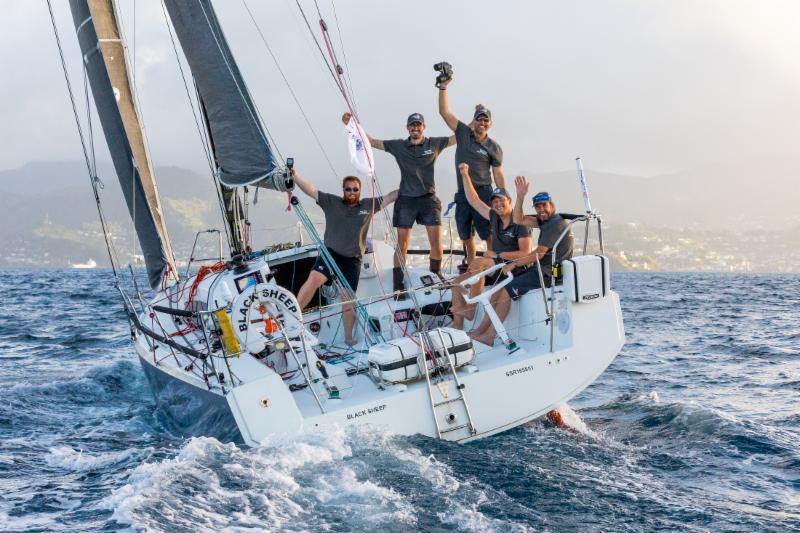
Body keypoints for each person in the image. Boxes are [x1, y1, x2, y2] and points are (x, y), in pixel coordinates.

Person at [342, 111, 455, 298]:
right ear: (408, 128)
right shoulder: (399, 146)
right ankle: (398, 285)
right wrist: (353, 125)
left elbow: (457, 137)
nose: (415, 128)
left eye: (418, 124)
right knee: (402, 244)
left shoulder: (434, 144)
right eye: (412, 125)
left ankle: (436, 273)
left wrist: (475, 123)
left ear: (423, 127)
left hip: (428, 198)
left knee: (436, 242)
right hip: (407, 199)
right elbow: (372, 142)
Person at [293, 168, 398, 346]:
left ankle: (348, 337)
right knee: (313, 281)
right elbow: (311, 190)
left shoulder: (367, 205)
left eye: (355, 189)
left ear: (359, 191)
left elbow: (389, 197)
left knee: (347, 297)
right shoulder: (331, 202)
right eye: (348, 189)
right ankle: (293, 320)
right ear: (343, 190)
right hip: (331, 253)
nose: (351, 192)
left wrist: (409, 186)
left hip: (352, 259)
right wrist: (295, 176)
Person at [467, 175, 574, 346]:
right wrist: (521, 197)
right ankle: (480, 331)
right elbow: (519, 219)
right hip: (539, 268)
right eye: (538, 207)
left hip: (548, 273)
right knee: (497, 290)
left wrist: (514, 264)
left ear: (552, 205)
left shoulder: (555, 224)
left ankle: (490, 336)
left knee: (506, 291)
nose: (541, 210)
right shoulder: (545, 221)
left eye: (544, 206)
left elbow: (538, 254)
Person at [449, 163, 532, 330]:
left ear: (510, 201)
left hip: (514, 268)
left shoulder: (520, 222)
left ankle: (471, 309)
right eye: (494, 201)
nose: (497, 204)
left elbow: (526, 253)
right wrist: (465, 174)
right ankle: (457, 328)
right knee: (457, 283)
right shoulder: (494, 216)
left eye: (501, 200)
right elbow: (474, 200)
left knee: (480, 262)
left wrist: (497, 253)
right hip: (496, 265)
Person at [437, 75, 506, 264]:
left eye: (485, 121)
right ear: (473, 121)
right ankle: (470, 262)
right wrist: (443, 87)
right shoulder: (463, 134)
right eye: (479, 120)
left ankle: (493, 264)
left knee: (488, 233)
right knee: (465, 233)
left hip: (483, 192)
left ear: (490, 124)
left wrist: (502, 195)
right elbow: (444, 112)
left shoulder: (494, 147)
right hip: (463, 193)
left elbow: (497, 173)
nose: (482, 123)